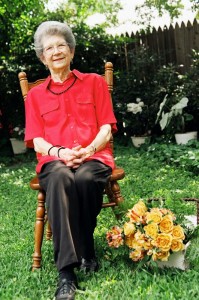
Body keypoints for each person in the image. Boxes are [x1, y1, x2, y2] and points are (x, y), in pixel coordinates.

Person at [24, 21, 117, 300]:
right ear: (43, 57)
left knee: (87, 178)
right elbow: (36, 140)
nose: (56, 51)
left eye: (61, 45)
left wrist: (87, 150)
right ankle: (66, 272)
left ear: (71, 51)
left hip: (94, 154)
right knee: (62, 177)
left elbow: (106, 126)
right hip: (54, 159)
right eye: (49, 48)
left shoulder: (95, 83)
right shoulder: (36, 95)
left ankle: (86, 247)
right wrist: (60, 153)